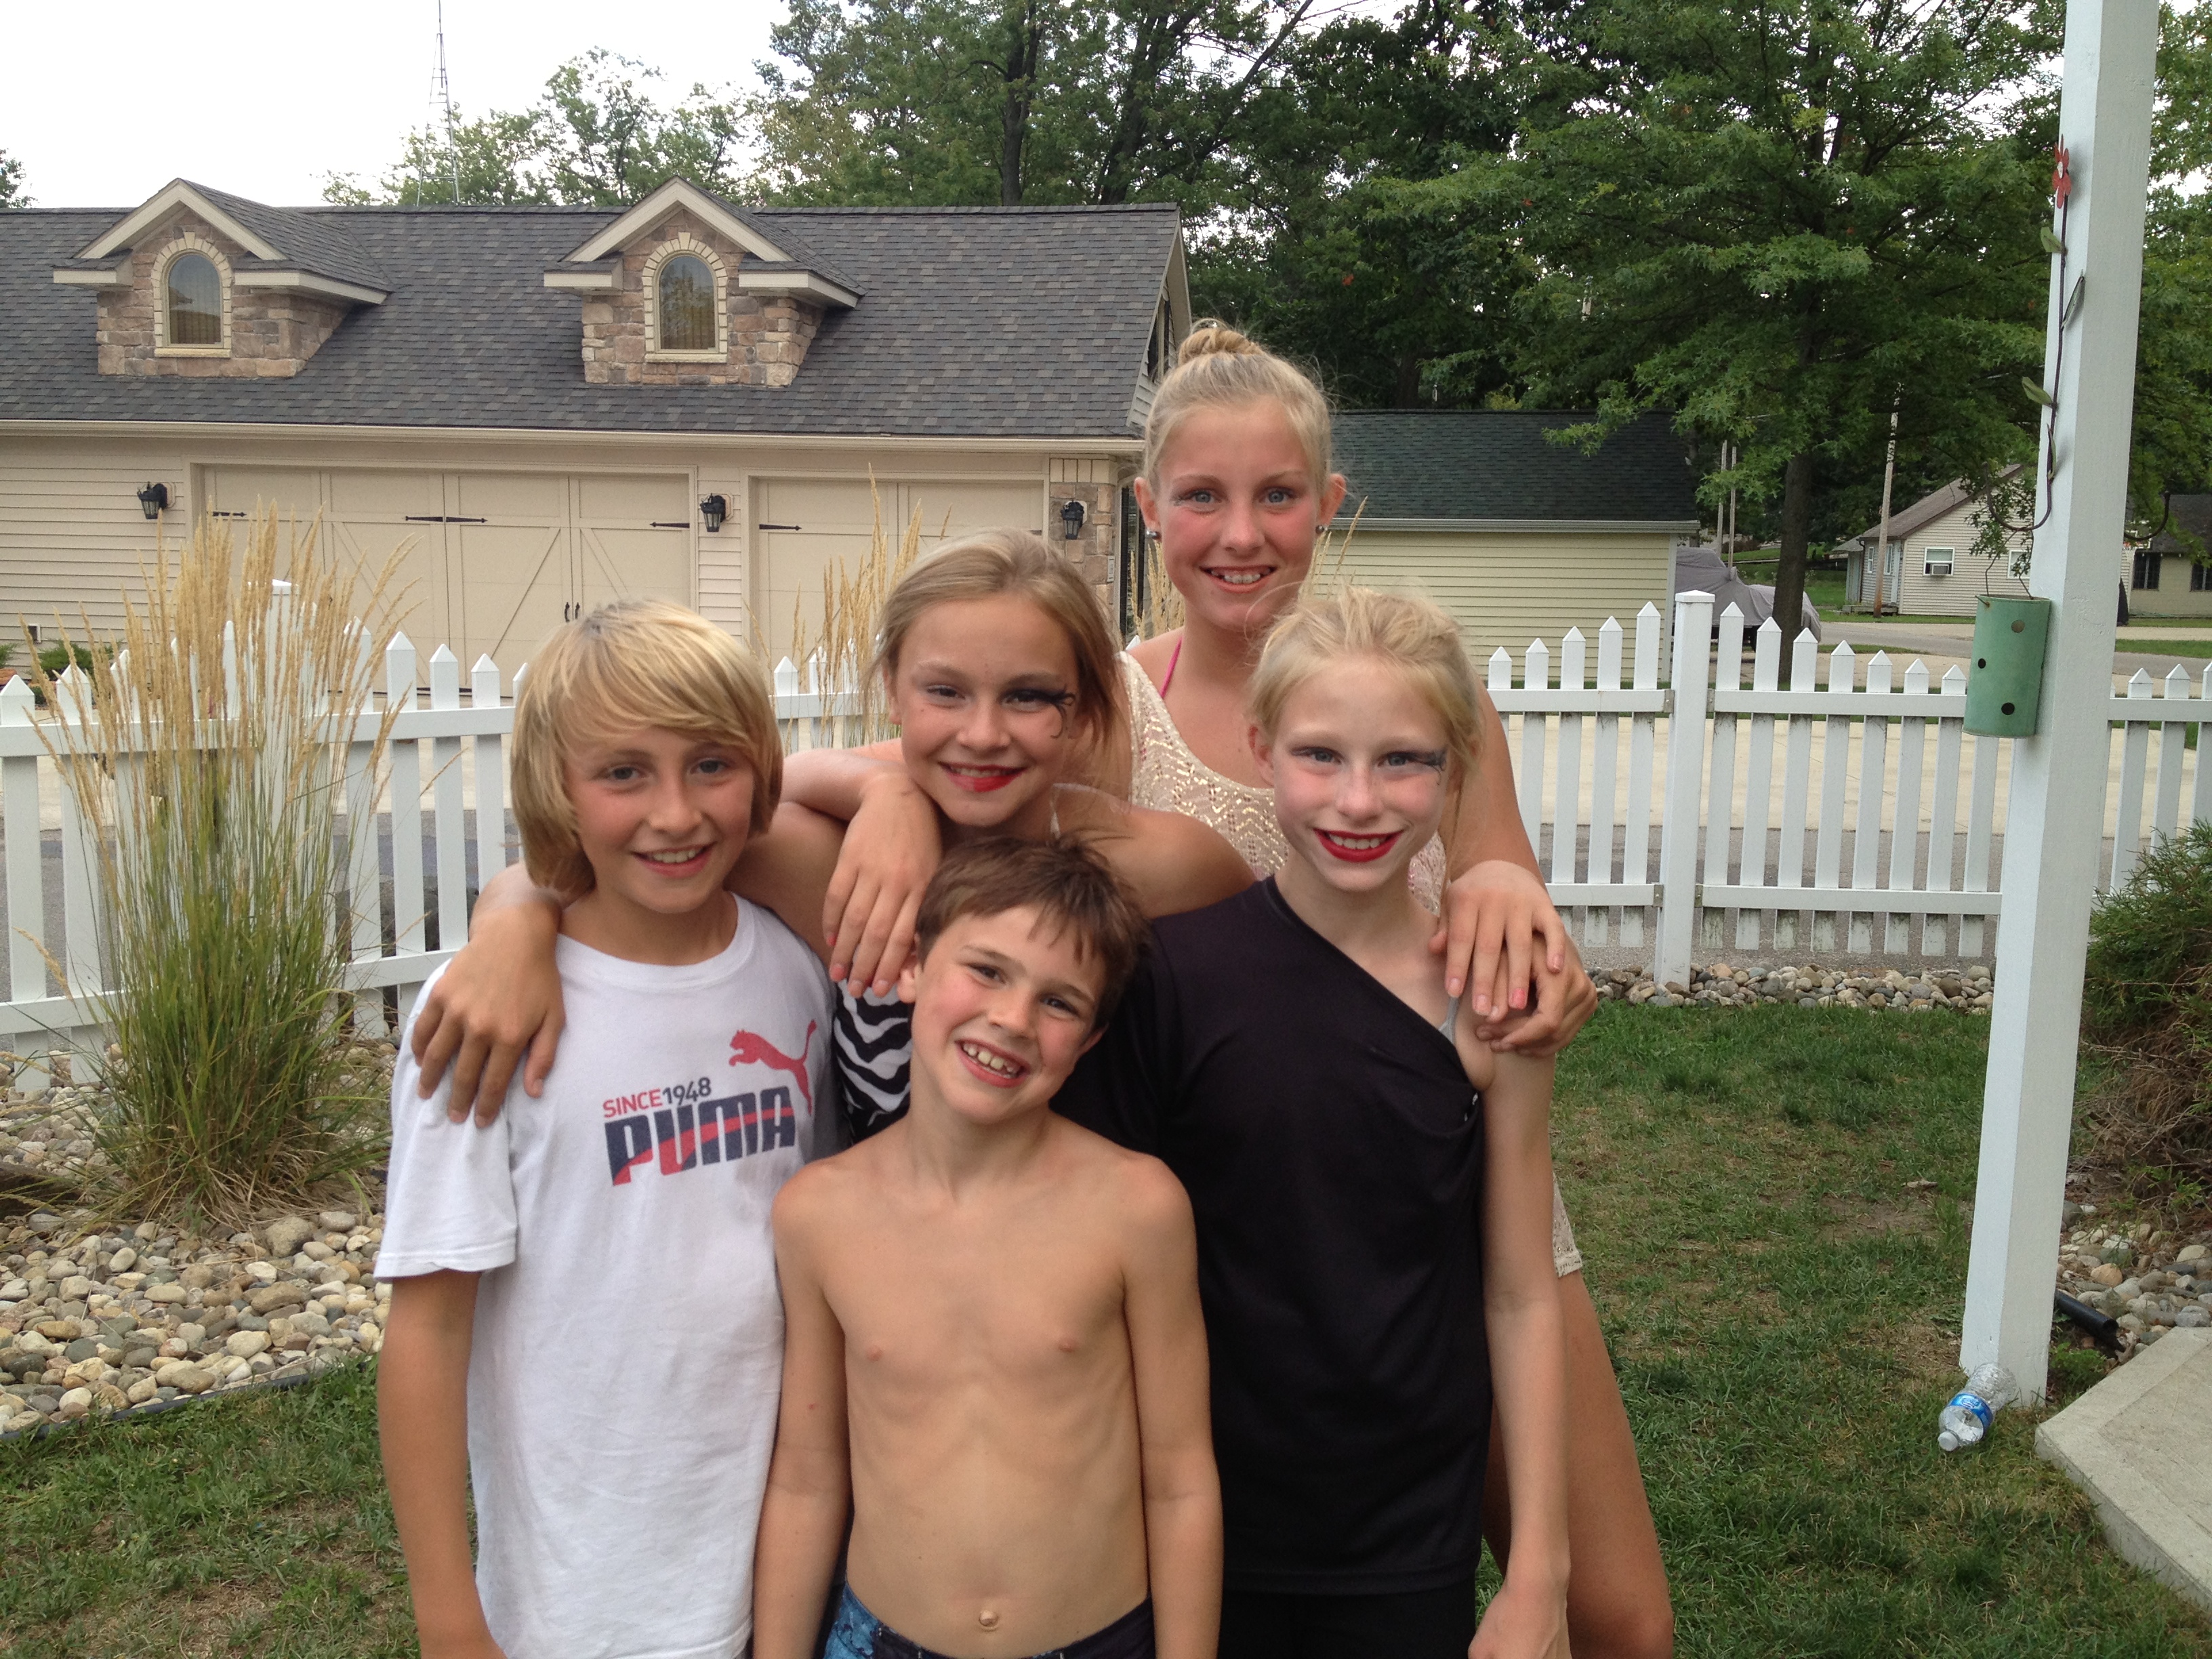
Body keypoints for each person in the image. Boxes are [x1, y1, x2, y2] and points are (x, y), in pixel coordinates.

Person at [781, 328, 1673, 1656]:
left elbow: (1499, 892)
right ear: (1150, 508)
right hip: (1235, 1187)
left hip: (1439, 1144)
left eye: (1277, 495)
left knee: (1617, 1618)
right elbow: (950, 760)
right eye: (1202, 496)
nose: (1240, 534)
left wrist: (1499, 888)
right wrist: (895, 803)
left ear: (1330, 503)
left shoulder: (1423, 685)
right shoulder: (1110, 703)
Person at [1054, 589, 1570, 1659]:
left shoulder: (1488, 1004)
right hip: (1193, 1516)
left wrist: (1539, 1572)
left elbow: (1521, 1292)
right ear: (1262, 749)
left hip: (1402, 1538)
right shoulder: (1172, 979)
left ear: (1457, 771)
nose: (1360, 799)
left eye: (1405, 761)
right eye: (1321, 756)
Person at [405, 531, 1252, 1144]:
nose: (984, 734)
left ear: (1085, 705)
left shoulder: (1161, 865)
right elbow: (615, 852)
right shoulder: (823, 861)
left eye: (1028, 697)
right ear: (892, 688)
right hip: (865, 1290)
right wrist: (512, 927)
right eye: (945, 692)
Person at [374, 602, 835, 1659]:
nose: (676, 813)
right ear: (557, 789)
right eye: (623, 773)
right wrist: (448, 1614)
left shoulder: (794, 969)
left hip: (779, 1555)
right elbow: (429, 1328)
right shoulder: (480, 1018)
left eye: (712, 764)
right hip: (586, 1592)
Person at [752, 838, 1218, 1659]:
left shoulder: (1136, 1208)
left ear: (1092, 1039)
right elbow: (807, 1477)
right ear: (912, 968)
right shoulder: (818, 1213)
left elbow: (1179, 1480)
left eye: (1060, 1002)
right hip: (879, 1639)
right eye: (987, 971)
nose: (1012, 1019)